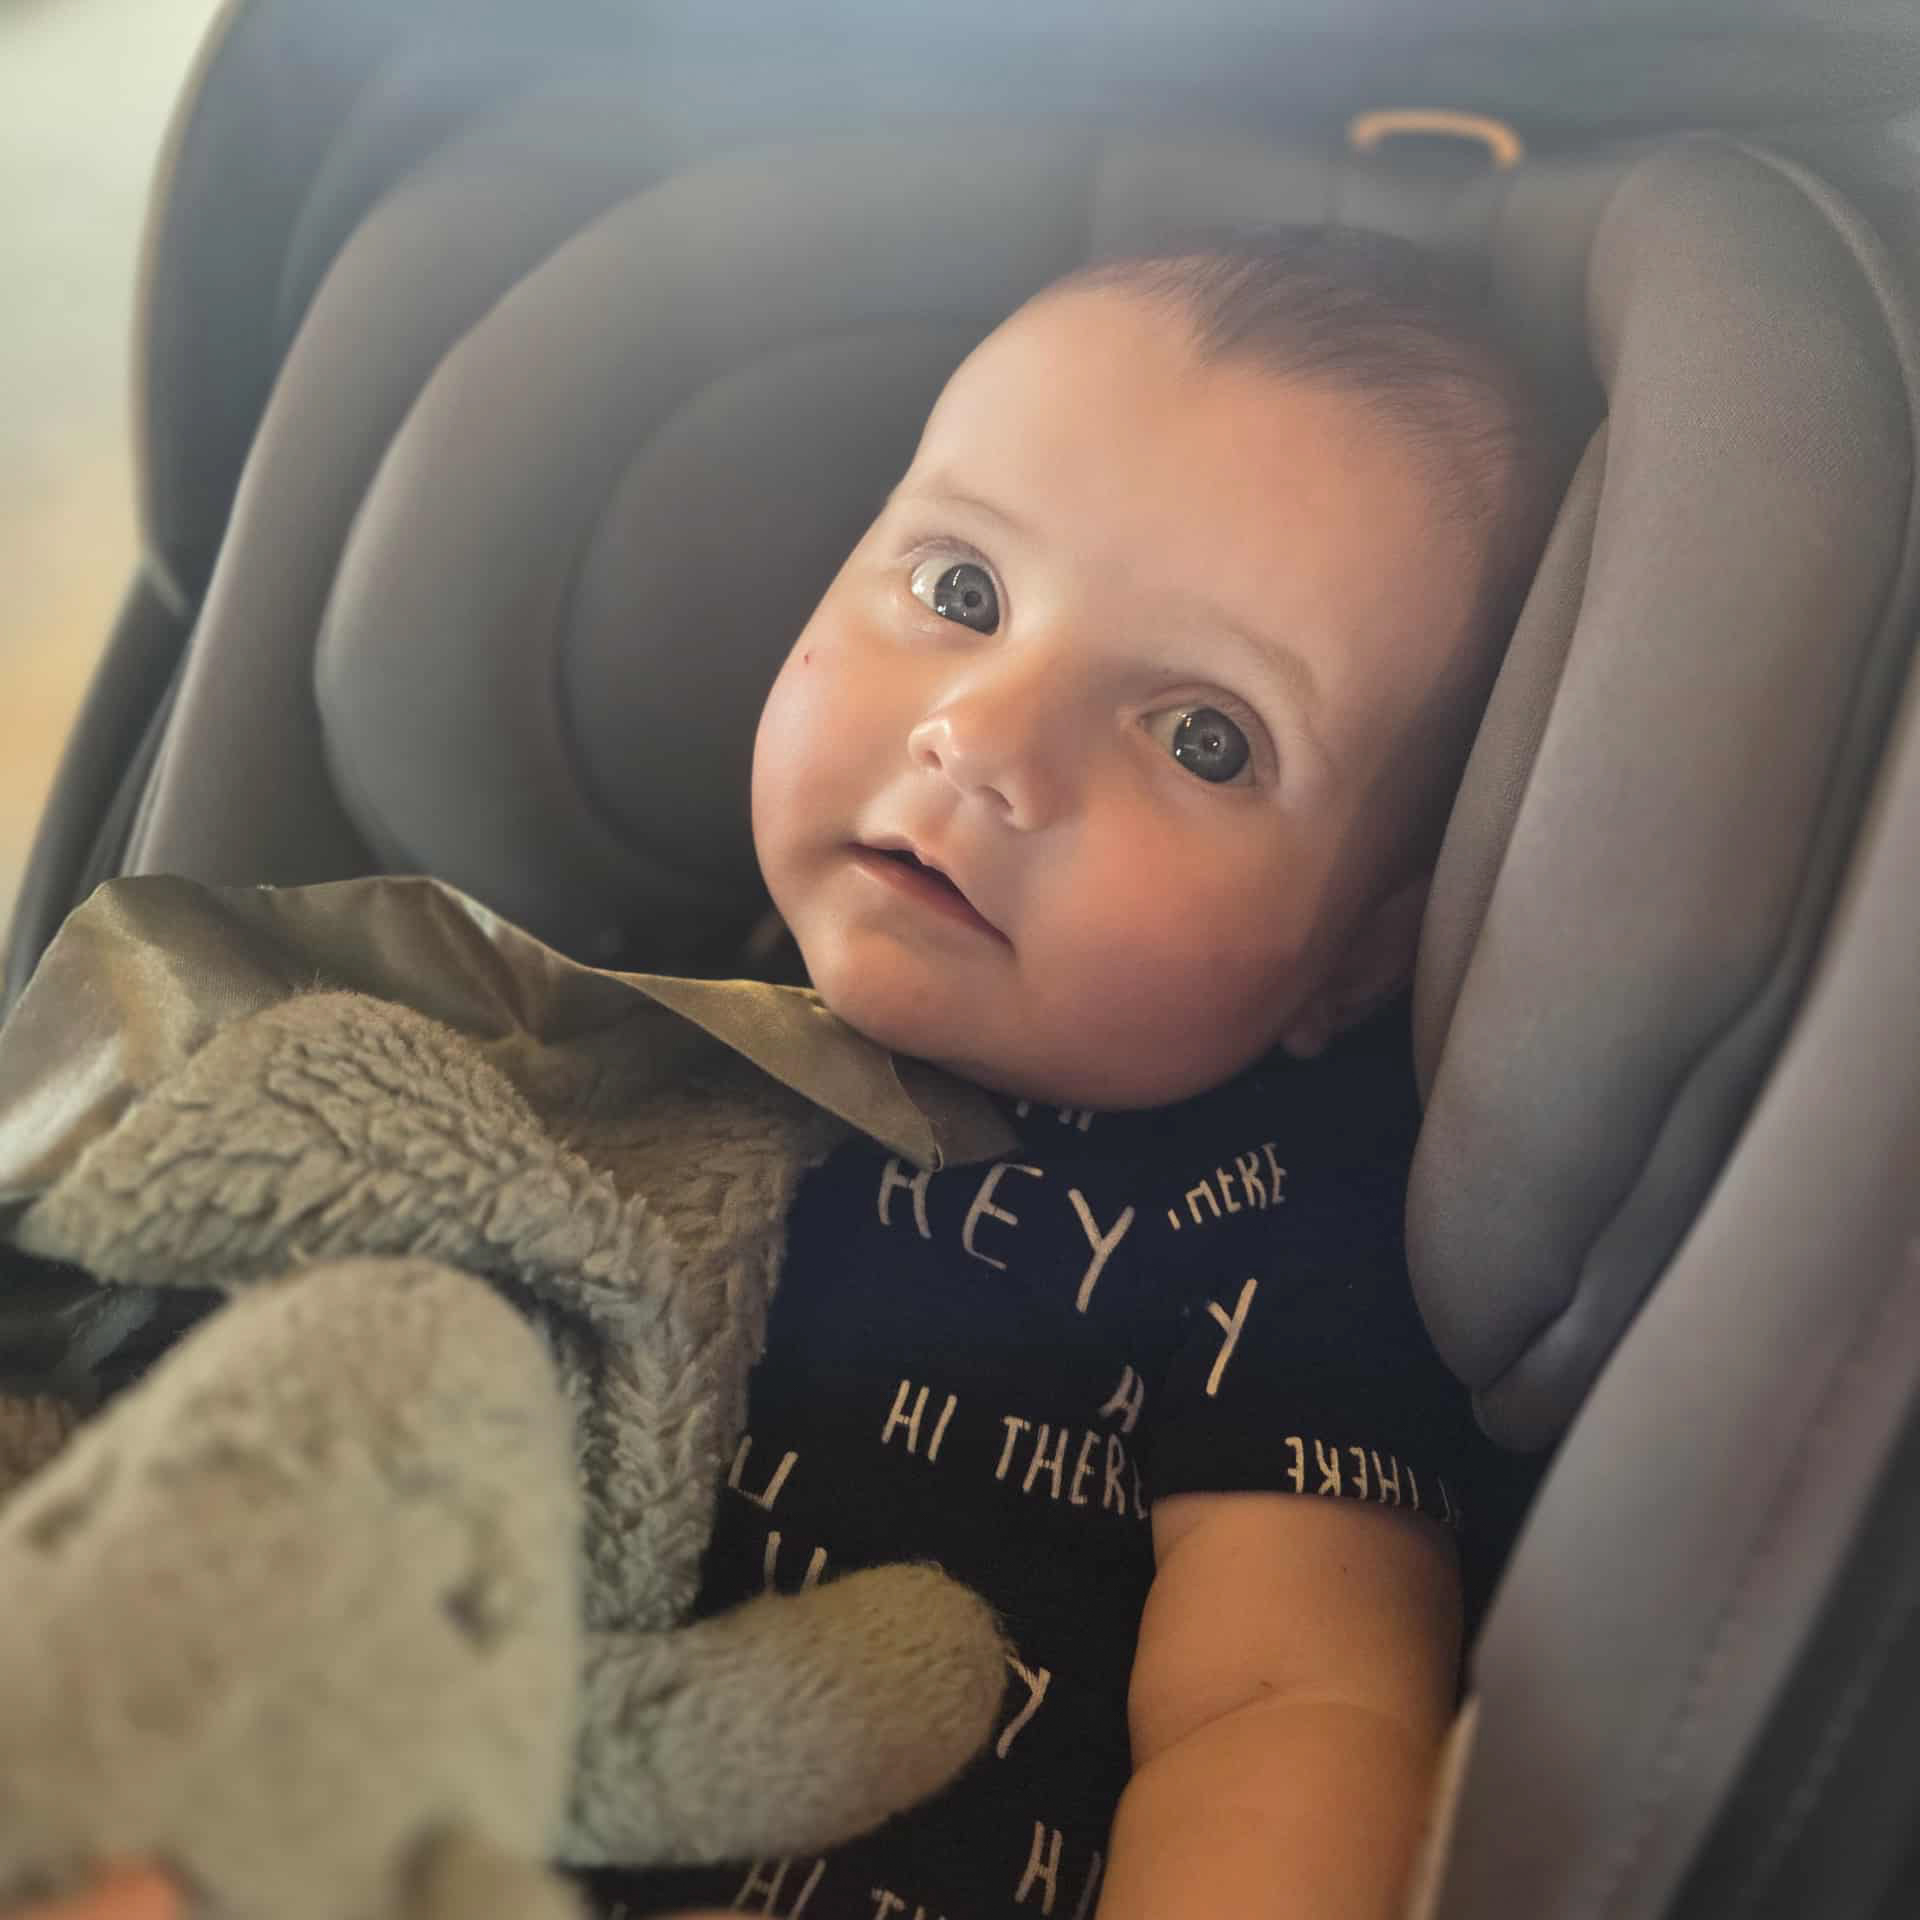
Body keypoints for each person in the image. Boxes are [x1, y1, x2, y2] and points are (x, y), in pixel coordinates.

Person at [10, 229, 1552, 1920]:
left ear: (1357, 959)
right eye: (961, 593)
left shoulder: (1273, 1215)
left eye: (1204, 736)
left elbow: (1287, 1708)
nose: (985, 737)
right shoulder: (572, 1014)